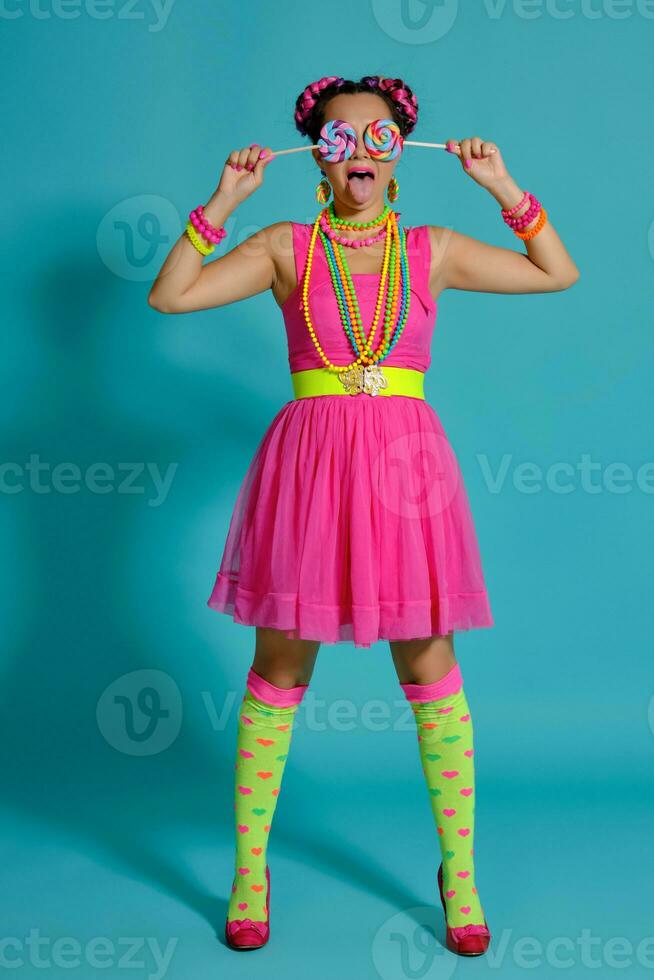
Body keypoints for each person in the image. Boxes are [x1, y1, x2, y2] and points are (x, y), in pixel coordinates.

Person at [148, 74, 579, 955]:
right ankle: (249, 870)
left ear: (399, 152)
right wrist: (223, 201)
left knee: (428, 660)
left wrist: (500, 186)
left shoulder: (433, 250)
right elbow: (172, 296)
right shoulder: (282, 247)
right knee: (280, 662)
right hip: (309, 472)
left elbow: (557, 272)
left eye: (377, 137)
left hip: (405, 473)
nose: (359, 154)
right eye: (338, 139)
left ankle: (459, 872)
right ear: (317, 155)